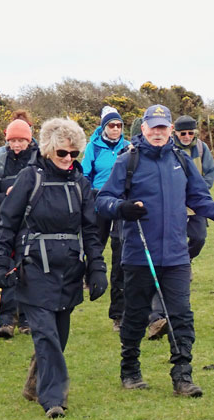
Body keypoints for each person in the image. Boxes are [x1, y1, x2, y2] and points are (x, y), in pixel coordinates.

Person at [96, 104, 214, 397]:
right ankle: (130, 369)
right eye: (153, 127)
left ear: (170, 130)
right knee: (135, 315)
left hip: (176, 255)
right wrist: (121, 208)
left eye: (163, 127)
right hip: (138, 254)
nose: (158, 133)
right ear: (144, 129)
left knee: (181, 315)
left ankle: (182, 376)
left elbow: (202, 201)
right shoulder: (127, 162)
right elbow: (103, 200)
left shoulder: (181, 161)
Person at [0, 117, 107, 419]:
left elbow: (91, 232)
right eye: (62, 153)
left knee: (59, 334)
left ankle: (34, 382)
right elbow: (7, 223)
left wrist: (97, 269)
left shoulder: (81, 184)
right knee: (45, 335)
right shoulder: (31, 178)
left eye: (74, 154)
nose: (68, 159)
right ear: (48, 150)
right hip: (33, 268)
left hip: (69, 269)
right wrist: (1, 261)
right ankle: (54, 398)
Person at [146, 114, 214, 340]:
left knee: (199, 238)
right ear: (174, 132)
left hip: (194, 207)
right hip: (170, 210)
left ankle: (185, 262)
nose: (186, 136)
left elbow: (209, 175)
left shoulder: (203, 149)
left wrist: (195, 194)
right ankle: (156, 318)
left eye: (190, 133)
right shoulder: (166, 149)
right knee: (161, 261)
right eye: (182, 133)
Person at [0, 118, 38, 338]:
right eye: (13, 140)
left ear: (29, 140)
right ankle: (6, 320)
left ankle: (26, 319)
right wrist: (7, 196)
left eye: (21, 140)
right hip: (4, 226)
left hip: (31, 225)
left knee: (27, 271)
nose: (16, 144)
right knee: (5, 269)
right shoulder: (0, 162)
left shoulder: (38, 161)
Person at [81, 106, 129, 332]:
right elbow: (83, 174)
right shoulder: (94, 147)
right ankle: (89, 277)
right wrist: (89, 195)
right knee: (96, 243)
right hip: (98, 198)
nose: (116, 129)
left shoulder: (128, 147)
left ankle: (118, 314)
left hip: (120, 202)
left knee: (121, 254)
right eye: (112, 125)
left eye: (119, 125)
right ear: (104, 127)